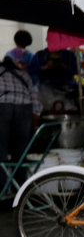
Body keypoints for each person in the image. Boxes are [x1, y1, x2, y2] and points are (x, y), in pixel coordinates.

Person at [0, 54, 40, 189]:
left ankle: (2, 189)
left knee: (1, 151)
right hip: (24, 109)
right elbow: (35, 99)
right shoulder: (23, 75)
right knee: (21, 151)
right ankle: (19, 189)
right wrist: (35, 118)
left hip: (2, 107)